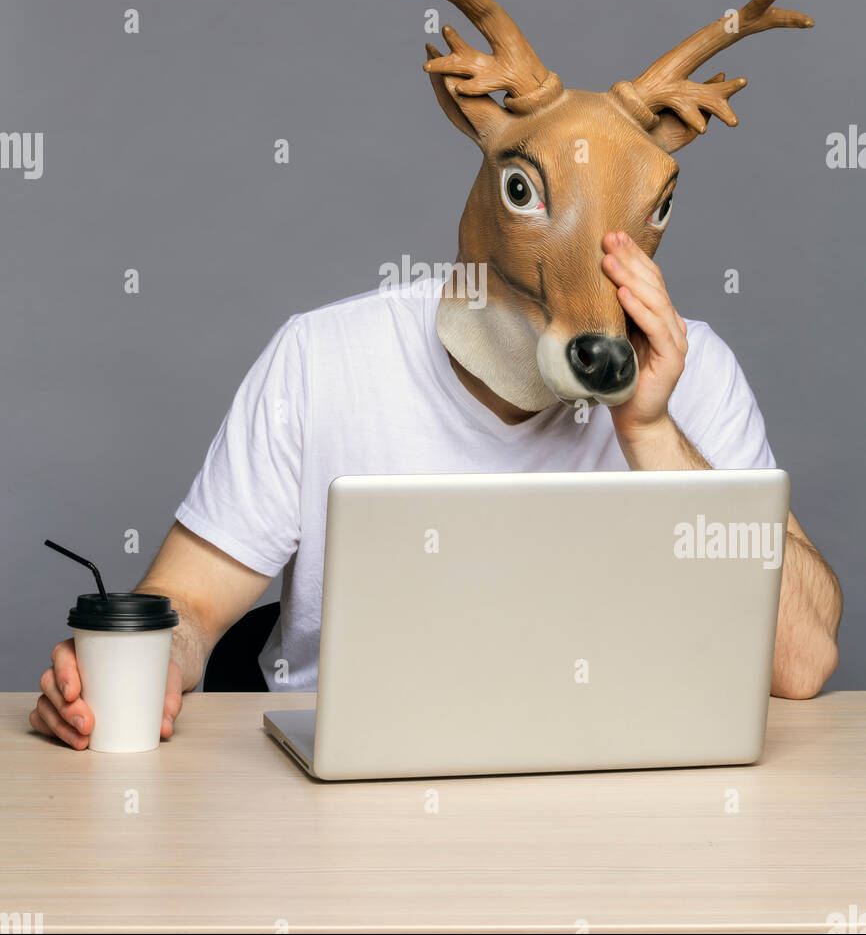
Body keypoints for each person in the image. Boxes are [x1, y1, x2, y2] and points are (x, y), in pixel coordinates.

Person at [30, 235, 842, 750]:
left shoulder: (691, 371)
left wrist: (650, 429)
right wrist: (141, 669)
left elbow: (801, 663)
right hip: (344, 812)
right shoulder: (324, 357)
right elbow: (187, 607)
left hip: (630, 796)